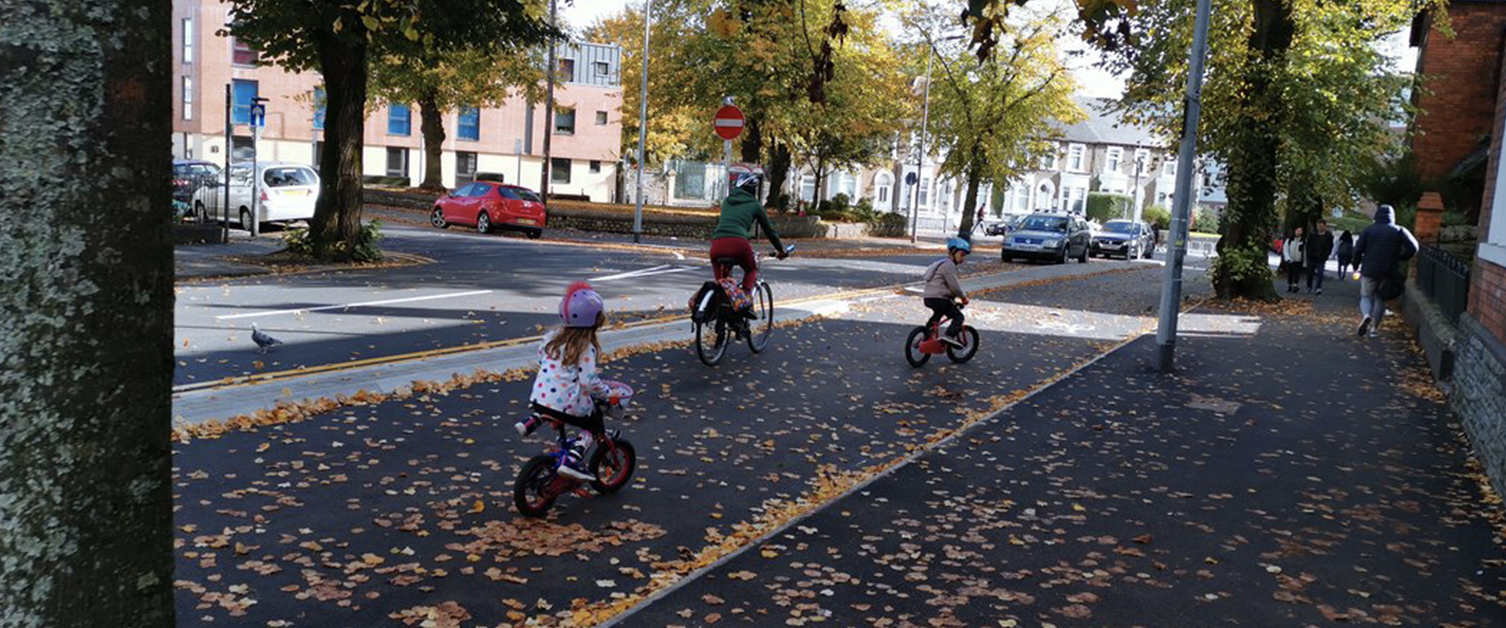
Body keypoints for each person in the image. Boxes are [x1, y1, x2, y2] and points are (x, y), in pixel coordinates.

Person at [517, 282, 618, 481]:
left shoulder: (552, 338)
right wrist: (607, 393)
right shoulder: (585, 346)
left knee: (552, 408)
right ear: (595, 320)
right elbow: (588, 381)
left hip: (540, 396)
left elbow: (541, 358)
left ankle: (531, 421)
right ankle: (572, 460)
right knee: (591, 425)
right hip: (566, 404)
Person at [710, 167, 788, 296]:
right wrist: (781, 250)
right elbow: (769, 231)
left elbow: (730, 223)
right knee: (751, 269)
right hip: (739, 244)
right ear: (753, 190)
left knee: (721, 282)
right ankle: (745, 299)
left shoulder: (727, 202)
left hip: (717, 244)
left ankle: (719, 306)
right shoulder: (755, 205)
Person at [1352, 204, 1419, 338]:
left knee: (1366, 296)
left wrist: (1355, 265)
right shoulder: (1399, 230)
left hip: (1369, 269)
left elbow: (1358, 250)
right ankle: (1374, 330)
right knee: (1380, 299)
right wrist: (1400, 257)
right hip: (1388, 270)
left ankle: (1366, 316)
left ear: (1377, 215)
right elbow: (1414, 247)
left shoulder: (1369, 230)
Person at [923, 237, 972, 347]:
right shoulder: (949, 265)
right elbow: (954, 286)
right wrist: (963, 298)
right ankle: (949, 335)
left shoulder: (940, 263)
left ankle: (926, 334)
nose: (963, 258)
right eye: (962, 254)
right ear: (953, 252)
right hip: (939, 298)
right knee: (958, 317)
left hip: (928, 297)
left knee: (938, 314)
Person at [1304, 219, 1335, 294]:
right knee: (1310, 272)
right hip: (1312, 256)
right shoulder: (1313, 234)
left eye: (1321, 226)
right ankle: (1309, 286)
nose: (1320, 228)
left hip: (1321, 257)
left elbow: (1330, 246)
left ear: (1324, 226)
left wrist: (1326, 255)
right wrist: (1309, 254)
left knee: (1320, 273)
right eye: (1318, 226)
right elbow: (1308, 245)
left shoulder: (1328, 236)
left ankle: (1318, 287)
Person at [1282, 226, 1306, 293]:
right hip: (1291, 259)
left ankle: (1295, 285)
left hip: (1298, 260)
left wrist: (1304, 261)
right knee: (1290, 273)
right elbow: (1285, 249)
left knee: (1297, 273)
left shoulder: (1303, 241)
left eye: (1300, 231)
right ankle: (1289, 285)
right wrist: (1287, 258)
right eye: (1297, 230)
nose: (1298, 232)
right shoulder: (1289, 240)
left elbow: (1304, 251)